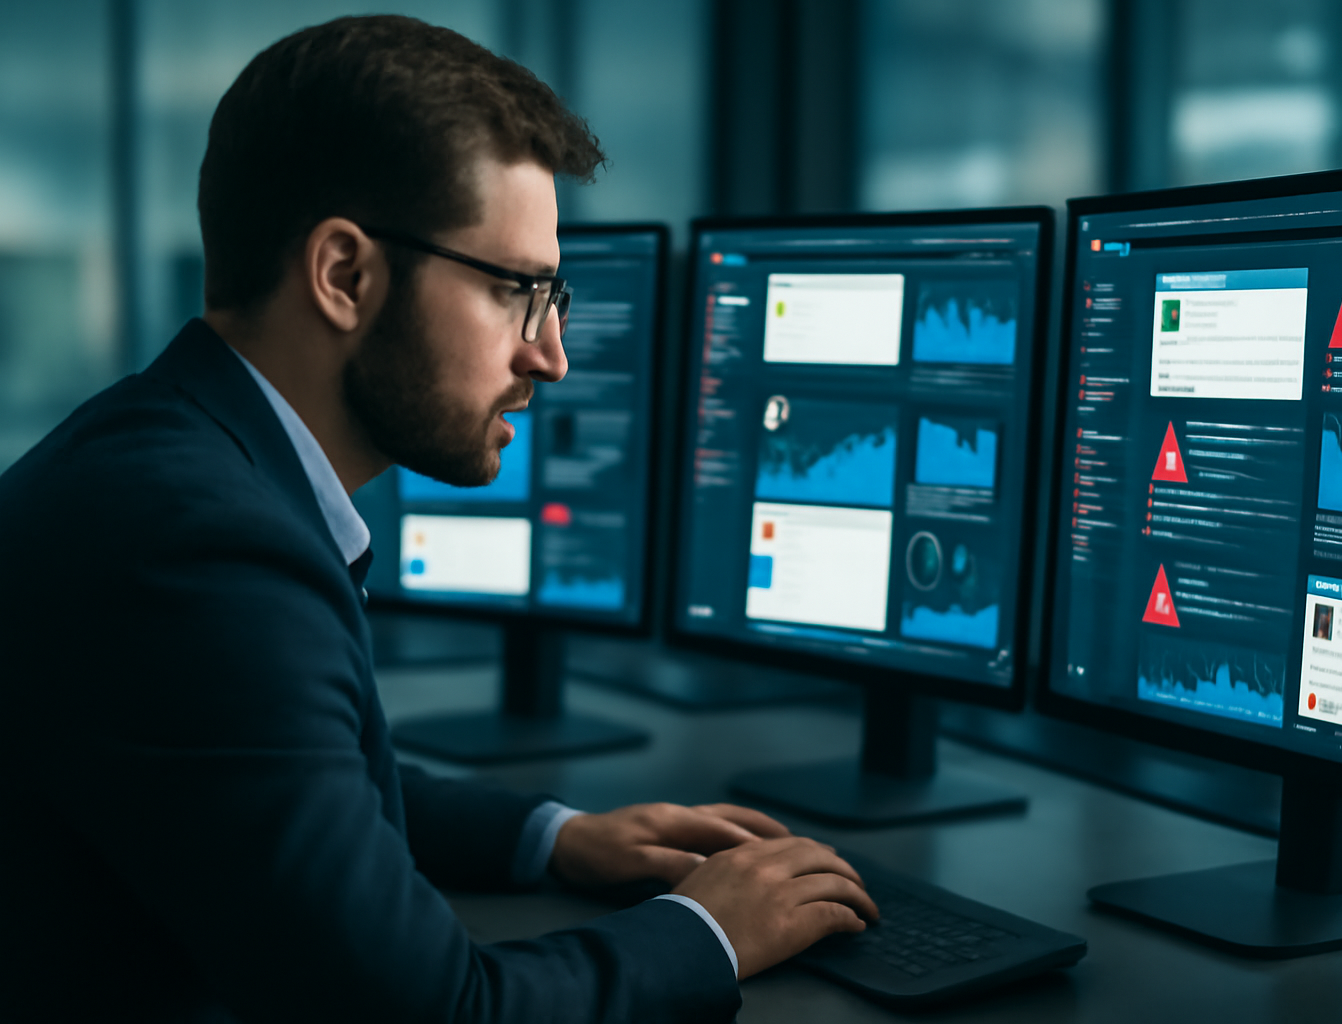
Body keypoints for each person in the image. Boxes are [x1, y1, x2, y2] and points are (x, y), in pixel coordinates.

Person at [0, 15, 875, 1023]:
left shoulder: (166, 457)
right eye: (518, 291)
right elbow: (436, 1012)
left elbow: (289, 772)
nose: (549, 355)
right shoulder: (201, 550)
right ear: (346, 276)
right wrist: (711, 930)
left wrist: (549, 834)